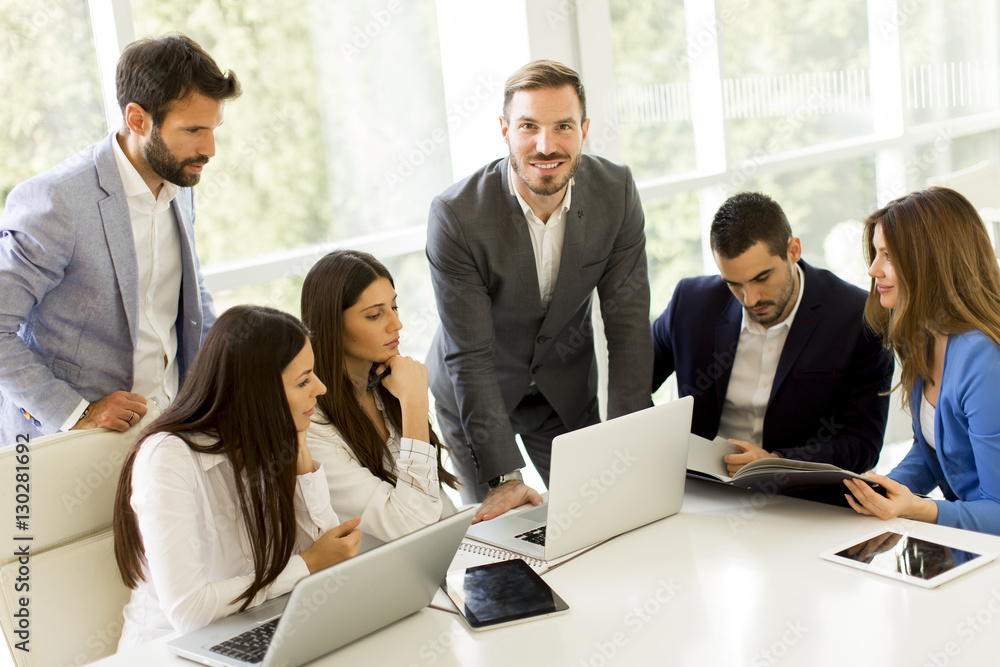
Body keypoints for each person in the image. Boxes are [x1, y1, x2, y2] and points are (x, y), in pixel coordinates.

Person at [425, 60, 653, 518]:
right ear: (505, 130)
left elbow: (627, 325)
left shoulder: (616, 192)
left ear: (584, 130)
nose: (545, 145)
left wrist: (630, 444)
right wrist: (506, 478)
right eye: (528, 126)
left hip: (564, 389)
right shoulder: (456, 217)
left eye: (563, 126)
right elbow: (469, 356)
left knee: (601, 516)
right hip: (476, 393)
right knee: (501, 539)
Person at [0, 34, 240, 446]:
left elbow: (190, 297)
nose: (210, 149)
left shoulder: (182, 179)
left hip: (169, 428)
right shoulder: (58, 201)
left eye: (214, 129)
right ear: (137, 119)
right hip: (71, 445)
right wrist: (76, 413)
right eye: (194, 130)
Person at [113, 305, 362, 648]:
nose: (320, 388)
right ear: (257, 393)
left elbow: (333, 562)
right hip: (172, 650)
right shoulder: (167, 459)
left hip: (254, 630)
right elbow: (189, 613)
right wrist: (304, 565)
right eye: (303, 380)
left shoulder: (268, 444)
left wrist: (302, 459)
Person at [652, 192, 893, 474]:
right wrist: (662, 445)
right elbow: (631, 384)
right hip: (698, 487)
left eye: (762, 278)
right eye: (734, 284)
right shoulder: (691, 303)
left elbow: (862, 444)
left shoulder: (858, 318)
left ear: (793, 250)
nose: (750, 299)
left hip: (798, 496)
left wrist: (776, 463)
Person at [845, 187, 1000, 535]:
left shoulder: (983, 358)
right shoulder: (923, 334)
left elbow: (998, 510)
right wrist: (880, 491)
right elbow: (934, 452)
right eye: (875, 253)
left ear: (929, 261)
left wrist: (918, 508)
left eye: (887, 255)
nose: (873, 270)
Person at [300, 250, 459, 542]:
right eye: (374, 315)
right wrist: (414, 403)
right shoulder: (313, 427)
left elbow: (439, 510)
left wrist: (486, 523)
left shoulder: (388, 387)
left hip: (440, 560)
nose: (396, 324)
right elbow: (412, 525)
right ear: (332, 325)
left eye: (394, 307)